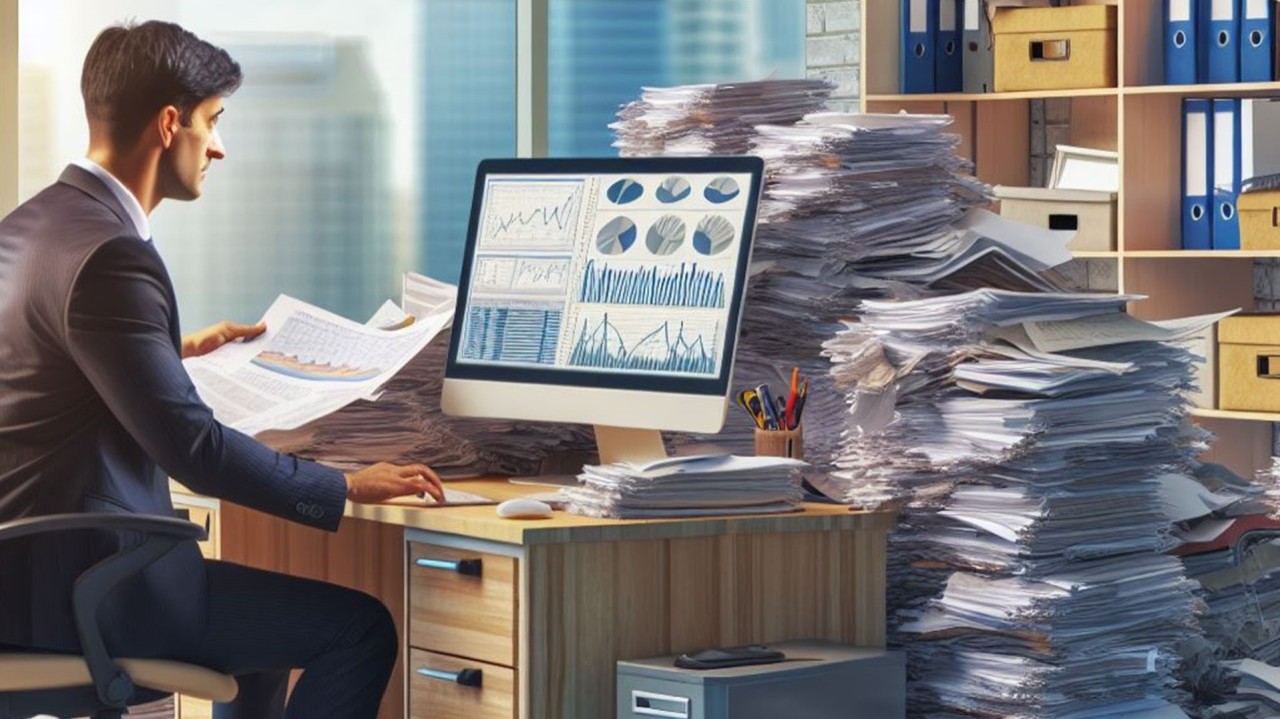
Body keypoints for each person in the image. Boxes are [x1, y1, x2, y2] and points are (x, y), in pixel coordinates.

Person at [0, 20, 444, 719]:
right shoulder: (114, 257)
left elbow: (34, 376)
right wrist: (345, 485)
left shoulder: (28, 230)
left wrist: (165, 357)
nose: (219, 145)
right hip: (87, 591)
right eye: (212, 121)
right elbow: (196, 452)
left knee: (259, 648)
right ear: (170, 123)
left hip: (23, 581)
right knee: (360, 628)